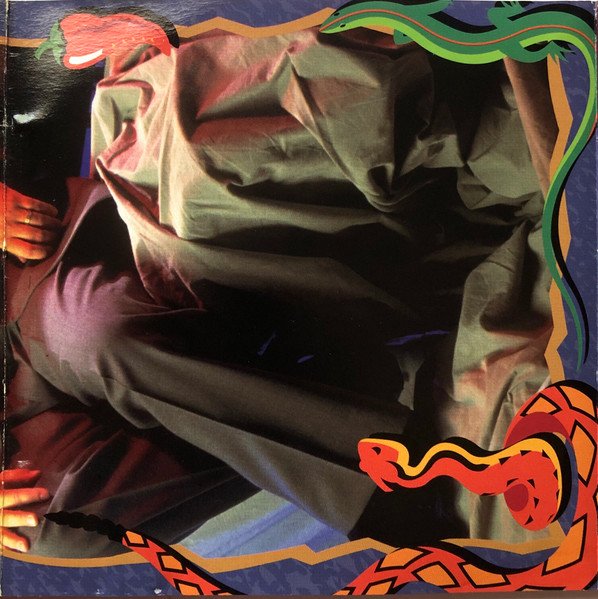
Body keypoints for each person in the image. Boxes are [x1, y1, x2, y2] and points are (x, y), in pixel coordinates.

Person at [3, 26, 553, 557]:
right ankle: (340, 408)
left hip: (26, 266)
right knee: (53, 524)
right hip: (18, 416)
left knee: (93, 333)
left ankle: (394, 480)